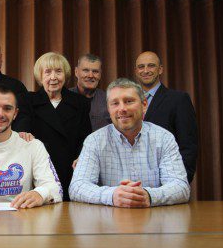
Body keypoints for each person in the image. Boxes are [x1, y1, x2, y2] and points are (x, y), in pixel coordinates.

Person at [69, 78, 190, 207]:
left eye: (129, 101)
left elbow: (181, 186)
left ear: (144, 105)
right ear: (108, 109)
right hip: (109, 223)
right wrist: (113, 195)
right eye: (115, 103)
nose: (122, 108)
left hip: (155, 222)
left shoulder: (164, 138)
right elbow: (77, 187)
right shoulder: (94, 141)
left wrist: (148, 196)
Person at [28, 52, 91, 201]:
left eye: (58, 71)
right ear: (40, 75)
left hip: (70, 170)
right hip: (38, 173)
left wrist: (81, 157)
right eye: (48, 72)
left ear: (66, 75)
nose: (53, 77)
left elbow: (86, 137)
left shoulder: (80, 103)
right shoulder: (28, 101)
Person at [134, 51, 198, 183]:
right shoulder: (129, 102)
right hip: (134, 182)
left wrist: (181, 181)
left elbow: (188, 145)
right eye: (141, 67)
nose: (145, 70)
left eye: (151, 66)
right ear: (136, 71)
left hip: (167, 181)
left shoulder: (178, 100)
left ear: (160, 69)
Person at [70, 54, 110, 131]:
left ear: (100, 74)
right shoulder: (64, 98)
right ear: (76, 72)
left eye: (95, 71)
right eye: (86, 70)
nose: (90, 75)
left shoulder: (109, 100)